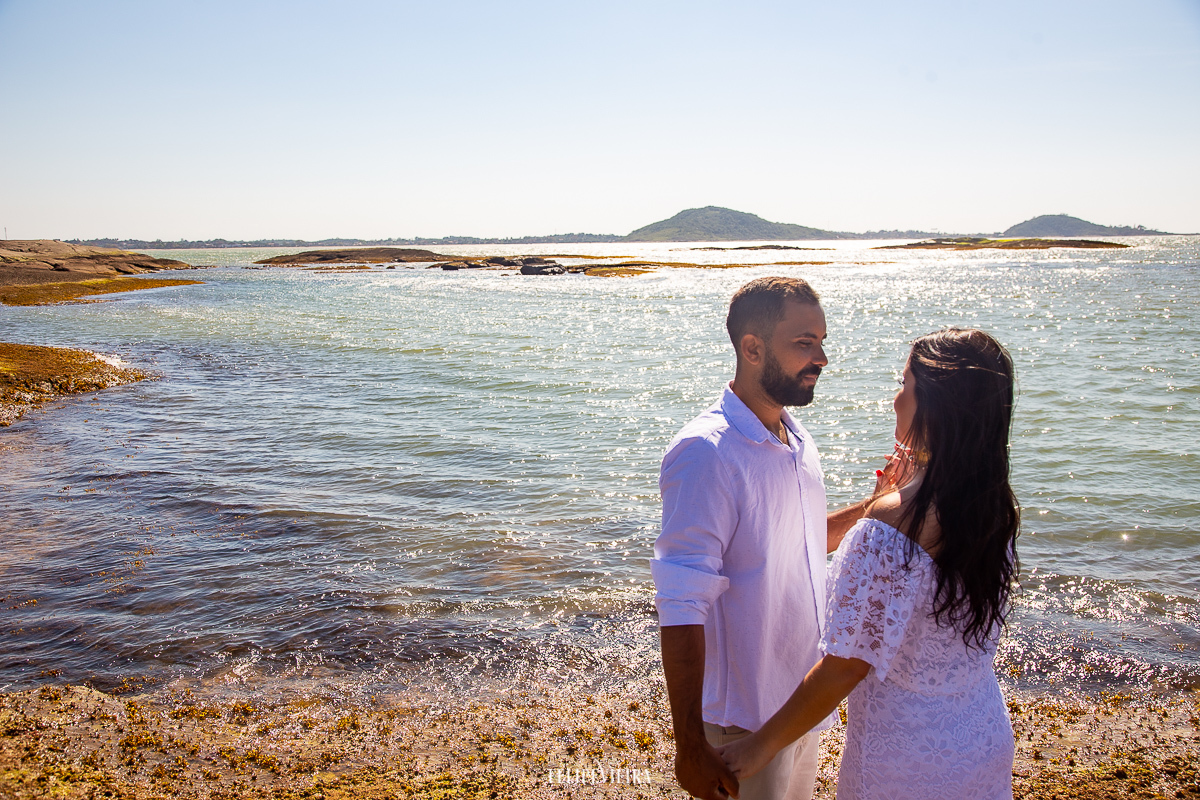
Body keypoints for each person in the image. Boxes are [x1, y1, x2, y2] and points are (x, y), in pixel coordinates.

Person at [717, 327, 1020, 800]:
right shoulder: (994, 507)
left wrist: (760, 747)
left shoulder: (893, 524)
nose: (895, 399)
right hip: (979, 733)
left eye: (905, 385)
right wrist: (880, 500)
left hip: (905, 753)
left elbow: (845, 666)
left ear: (936, 406)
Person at [653, 277, 874, 800]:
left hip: (799, 705)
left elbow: (795, 542)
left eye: (821, 341)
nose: (821, 357)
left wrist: (876, 505)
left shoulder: (794, 437)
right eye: (804, 343)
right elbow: (681, 602)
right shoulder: (707, 453)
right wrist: (688, 745)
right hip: (743, 721)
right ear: (752, 348)